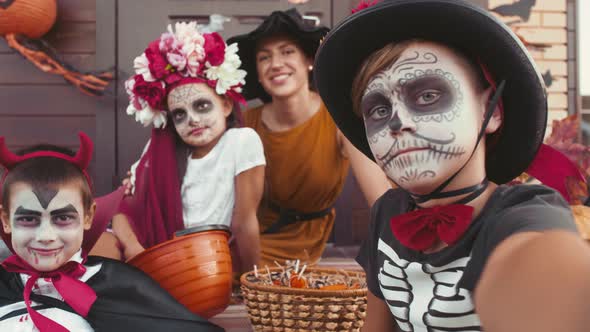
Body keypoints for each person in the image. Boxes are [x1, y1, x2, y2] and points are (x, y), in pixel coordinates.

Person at [314, 0, 590, 331]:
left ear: (493, 110)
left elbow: (548, 281)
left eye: (427, 96)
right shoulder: (388, 212)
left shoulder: (523, 216)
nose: (397, 122)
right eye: (378, 110)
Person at [0, 133, 222, 331]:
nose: (45, 236)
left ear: (88, 216)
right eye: (28, 219)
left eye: (63, 218)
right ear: (5, 220)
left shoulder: (121, 286)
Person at [227, 9, 391, 266]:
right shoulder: (246, 122)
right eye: (264, 57)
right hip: (247, 240)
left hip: (305, 242)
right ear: (258, 73)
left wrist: (399, 261)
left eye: (287, 51)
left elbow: (380, 198)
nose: (276, 63)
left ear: (309, 60)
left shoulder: (337, 115)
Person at [113, 21, 266, 275]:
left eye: (202, 106)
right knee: (101, 244)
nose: (192, 119)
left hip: (204, 260)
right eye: (179, 115)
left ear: (226, 106)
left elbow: (244, 222)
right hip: (154, 249)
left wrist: (256, 281)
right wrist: (133, 248)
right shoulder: (163, 151)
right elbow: (124, 208)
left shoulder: (241, 141)